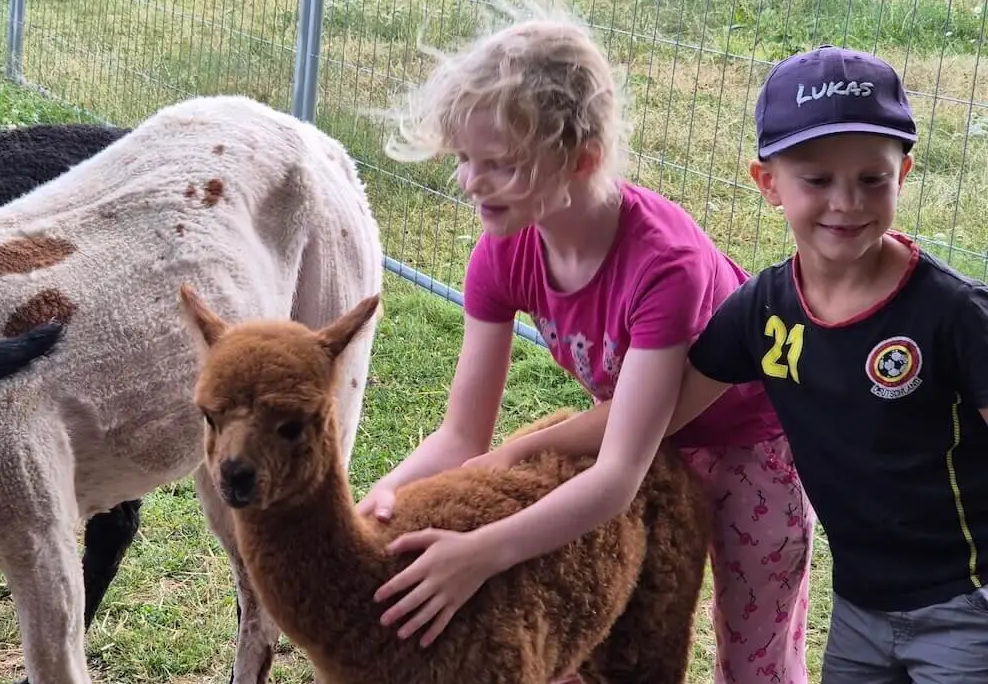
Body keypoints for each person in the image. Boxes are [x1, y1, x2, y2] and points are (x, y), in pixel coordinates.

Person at [485, 43, 988, 682]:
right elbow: (660, 415)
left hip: (964, 608)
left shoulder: (956, 314)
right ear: (768, 183)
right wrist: (521, 451)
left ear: (905, 173)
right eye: (816, 179)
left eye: (872, 179)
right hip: (862, 611)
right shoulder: (764, 309)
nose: (846, 203)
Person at [358, 4, 814, 682]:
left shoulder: (666, 264)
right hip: (637, 428)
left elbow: (614, 476)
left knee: (754, 657)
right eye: (464, 159)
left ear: (582, 159)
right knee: (596, 635)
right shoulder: (502, 251)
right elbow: (461, 435)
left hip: (751, 443)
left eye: (499, 164)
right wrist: (381, 498)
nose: (469, 182)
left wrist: (481, 550)